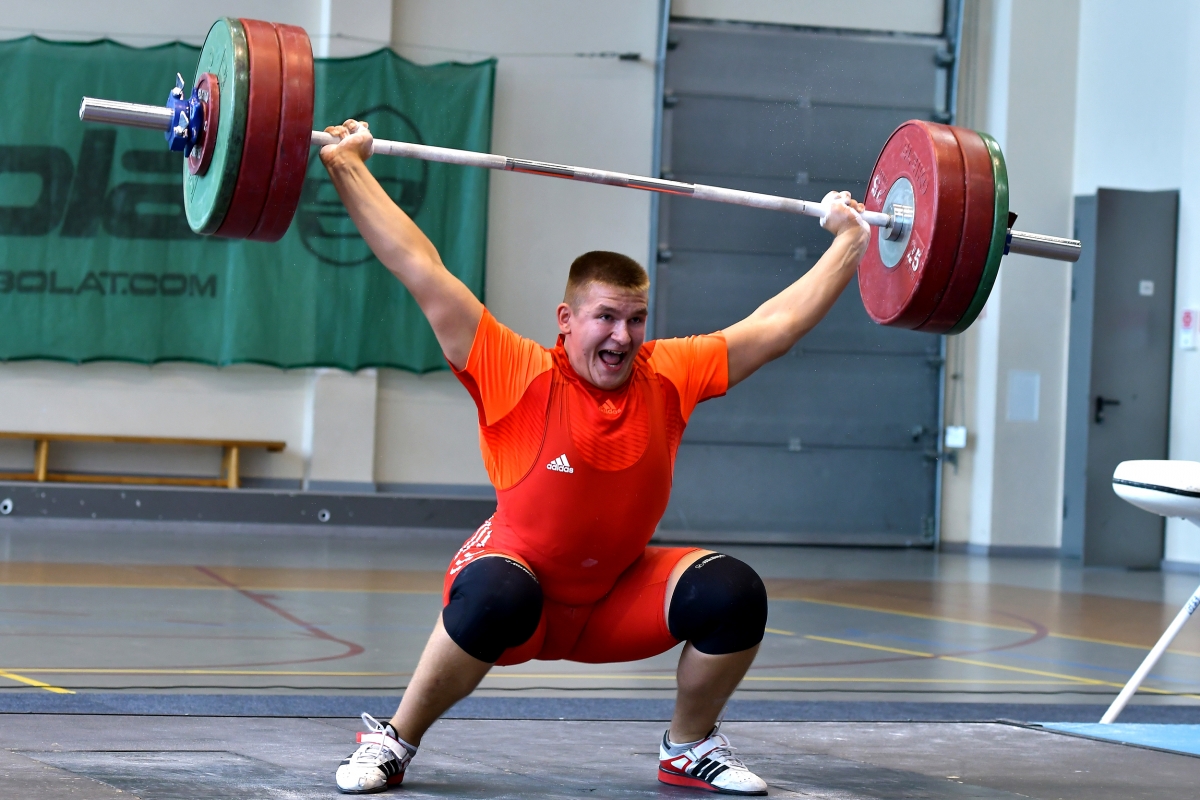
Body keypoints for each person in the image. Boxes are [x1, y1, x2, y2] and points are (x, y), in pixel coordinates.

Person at [320, 119, 870, 796]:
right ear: (566, 319)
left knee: (732, 592)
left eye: (636, 319)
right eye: (606, 317)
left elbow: (774, 327)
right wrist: (348, 165)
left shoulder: (669, 373)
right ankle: (395, 739)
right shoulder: (516, 371)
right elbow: (418, 265)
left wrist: (851, 242)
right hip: (514, 588)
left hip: (617, 599)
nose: (623, 335)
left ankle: (688, 748)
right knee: (497, 594)